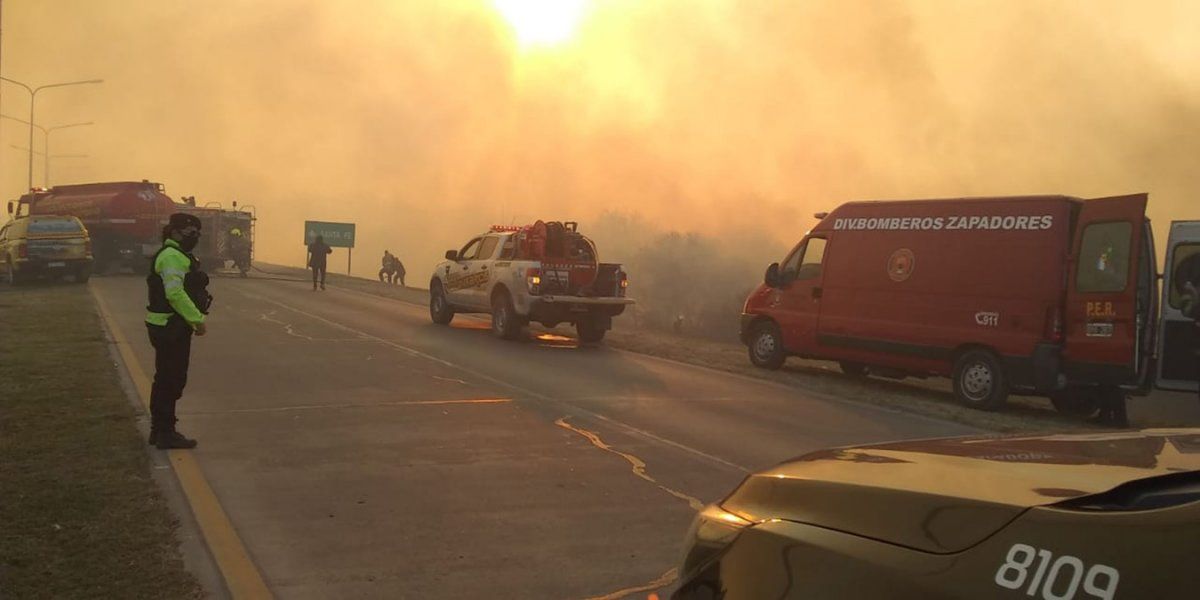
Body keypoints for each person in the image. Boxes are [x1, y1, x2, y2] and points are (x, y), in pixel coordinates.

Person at [145, 213, 212, 450]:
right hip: (170, 326)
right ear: (174, 232)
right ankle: (166, 432)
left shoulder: (178, 255)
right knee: (171, 379)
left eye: (196, 234)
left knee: (166, 378)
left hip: (169, 324)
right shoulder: (172, 257)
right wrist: (197, 320)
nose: (194, 238)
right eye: (189, 233)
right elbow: (174, 293)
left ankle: (159, 430)